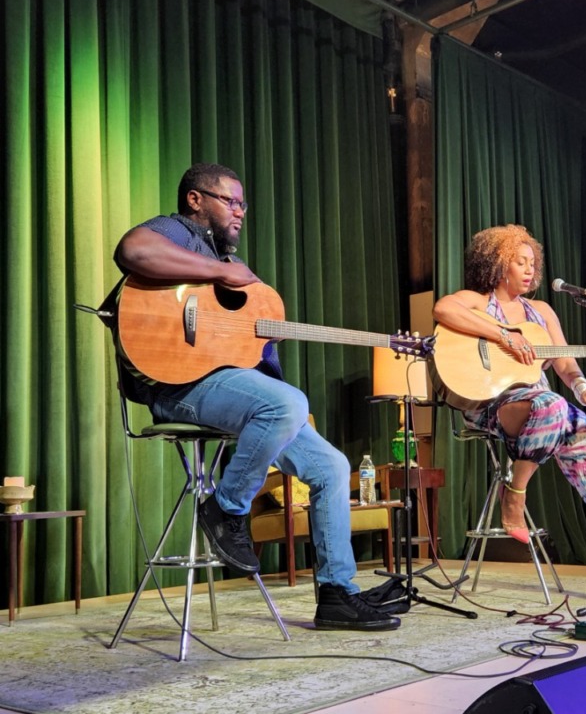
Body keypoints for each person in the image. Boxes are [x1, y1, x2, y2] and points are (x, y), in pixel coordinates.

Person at [112, 163, 400, 631]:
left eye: (244, 204)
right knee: (287, 402)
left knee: (331, 466)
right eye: (232, 201)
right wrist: (221, 273)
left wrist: (249, 338)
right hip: (173, 386)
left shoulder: (216, 260)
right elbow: (133, 249)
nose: (241, 213)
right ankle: (226, 508)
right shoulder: (179, 232)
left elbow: (235, 347)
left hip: (221, 386)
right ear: (196, 200)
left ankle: (336, 594)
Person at [432, 224, 586, 605]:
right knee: (551, 405)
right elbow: (443, 309)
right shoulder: (476, 299)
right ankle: (515, 494)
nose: (528, 270)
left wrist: (585, 390)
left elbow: (564, 363)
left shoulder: (541, 311)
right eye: (519, 261)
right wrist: (504, 335)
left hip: (545, 409)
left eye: (532, 263)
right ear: (497, 262)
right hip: (494, 404)